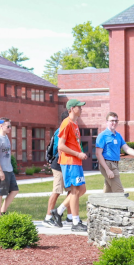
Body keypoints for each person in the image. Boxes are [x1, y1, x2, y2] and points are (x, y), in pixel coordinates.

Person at [51, 99, 88, 233]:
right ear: (72, 108)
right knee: (75, 191)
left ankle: (58, 211)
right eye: (79, 106)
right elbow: (61, 145)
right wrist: (77, 154)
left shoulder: (75, 123)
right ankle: (75, 222)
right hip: (70, 162)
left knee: (81, 190)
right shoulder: (66, 123)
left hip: (75, 162)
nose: (81, 108)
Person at [95, 112, 134, 193]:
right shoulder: (102, 135)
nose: (114, 123)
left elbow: (126, 148)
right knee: (119, 191)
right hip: (108, 164)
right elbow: (98, 154)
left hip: (115, 164)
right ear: (107, 122)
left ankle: (98, 205)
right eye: (112, 121)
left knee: (108, 191)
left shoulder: (118, 135)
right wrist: (107, 169)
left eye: (116, 121)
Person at [43, 112, 72, 228]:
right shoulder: (60, 131)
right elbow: (59, 148)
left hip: (67, 164)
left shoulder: (68, 129)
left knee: (71, 190)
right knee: (57, 191)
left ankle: (70, 217)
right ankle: (48, 218)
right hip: (58, 164)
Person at [0, 117, 18, 218]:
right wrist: (0, 171)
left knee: (14, 190)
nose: (10, 128)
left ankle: (3, 211)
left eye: (10, 126)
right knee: (0, 193)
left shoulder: (6, 137)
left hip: (9, 169)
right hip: (2, 170)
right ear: (1, 126)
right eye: (8, 126)